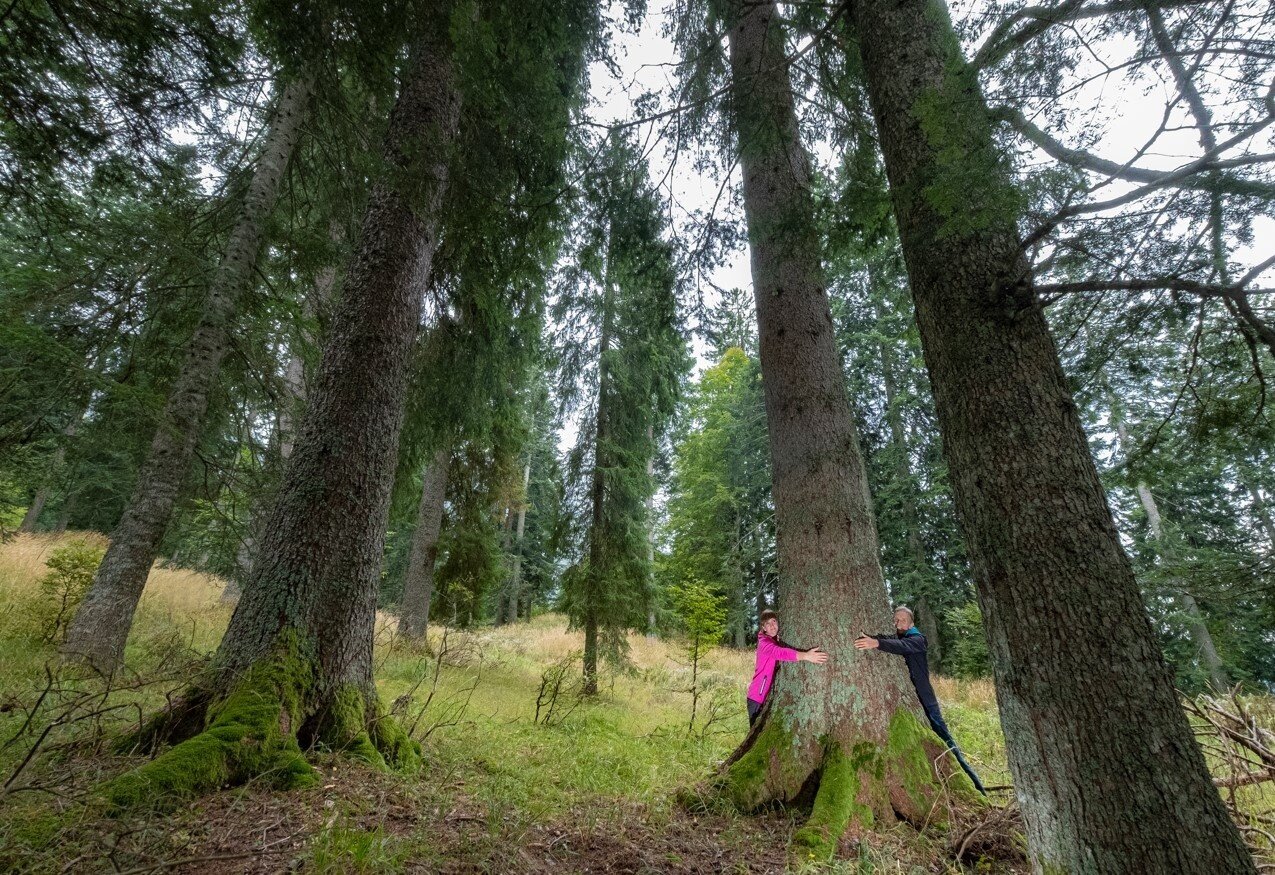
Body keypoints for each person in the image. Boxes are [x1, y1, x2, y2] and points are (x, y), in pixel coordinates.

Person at [854, 605, 986, 794]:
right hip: (911, 703)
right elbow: (892, 640)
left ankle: (977, 789)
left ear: (912, 623)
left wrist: (877, 643)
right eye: (896, 619)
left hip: (926, 702)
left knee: (948, 745)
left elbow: (903, 647)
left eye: (903, 620)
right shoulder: (899, 637)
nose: (898, 623)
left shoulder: (918, 639)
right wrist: (876, 640)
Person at [747, 609, 829, 726]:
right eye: (768, 624)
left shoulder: (773, 640)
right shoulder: (765, 643)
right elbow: (780, 653)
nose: (772, 626)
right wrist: (806, 655)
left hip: (763, 696)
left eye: (774, 621)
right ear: (763, 628)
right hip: (757, 698)